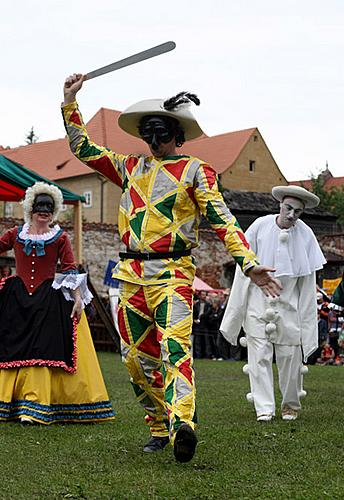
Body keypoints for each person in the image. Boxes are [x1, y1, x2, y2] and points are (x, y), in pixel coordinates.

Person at [61, 75, 281, 462]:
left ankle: (183, 425)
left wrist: (247, 263)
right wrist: (69, 101)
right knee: (134, 357)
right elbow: (83, 148)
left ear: (176, 135)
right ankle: (160, 426)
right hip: (129, 276)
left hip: (173, 274)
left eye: (159, 132)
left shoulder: (197, 170)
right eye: (148, 133)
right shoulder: (130, 166)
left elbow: (222, 218)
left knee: (174, 350)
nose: (153, 140)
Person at [0, 182, 115, 424]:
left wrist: (76, 300)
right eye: (40, 206)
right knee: (12, 347)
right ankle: (9, 403)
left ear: (54, 211)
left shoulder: (60, 238)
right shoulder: (15, 234)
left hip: (47, 300)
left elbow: (70, 269)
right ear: (31, 207)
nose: (44, 211)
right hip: (17, 299)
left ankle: (33, 407)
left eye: (48, 208)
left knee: (42, 349)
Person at [220, 185, 326, 422]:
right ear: (280, 204)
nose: (291, 215)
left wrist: (308, 326)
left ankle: (290, 405)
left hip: (289, 308)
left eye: (297, 212)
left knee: (290, 360)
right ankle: (264, 408)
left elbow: (307, 288)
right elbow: (242, 271)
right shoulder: (259, 227)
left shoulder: (306, 235)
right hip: (258, 305)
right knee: (258, 358)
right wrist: (235, 314)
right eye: (288, 208)